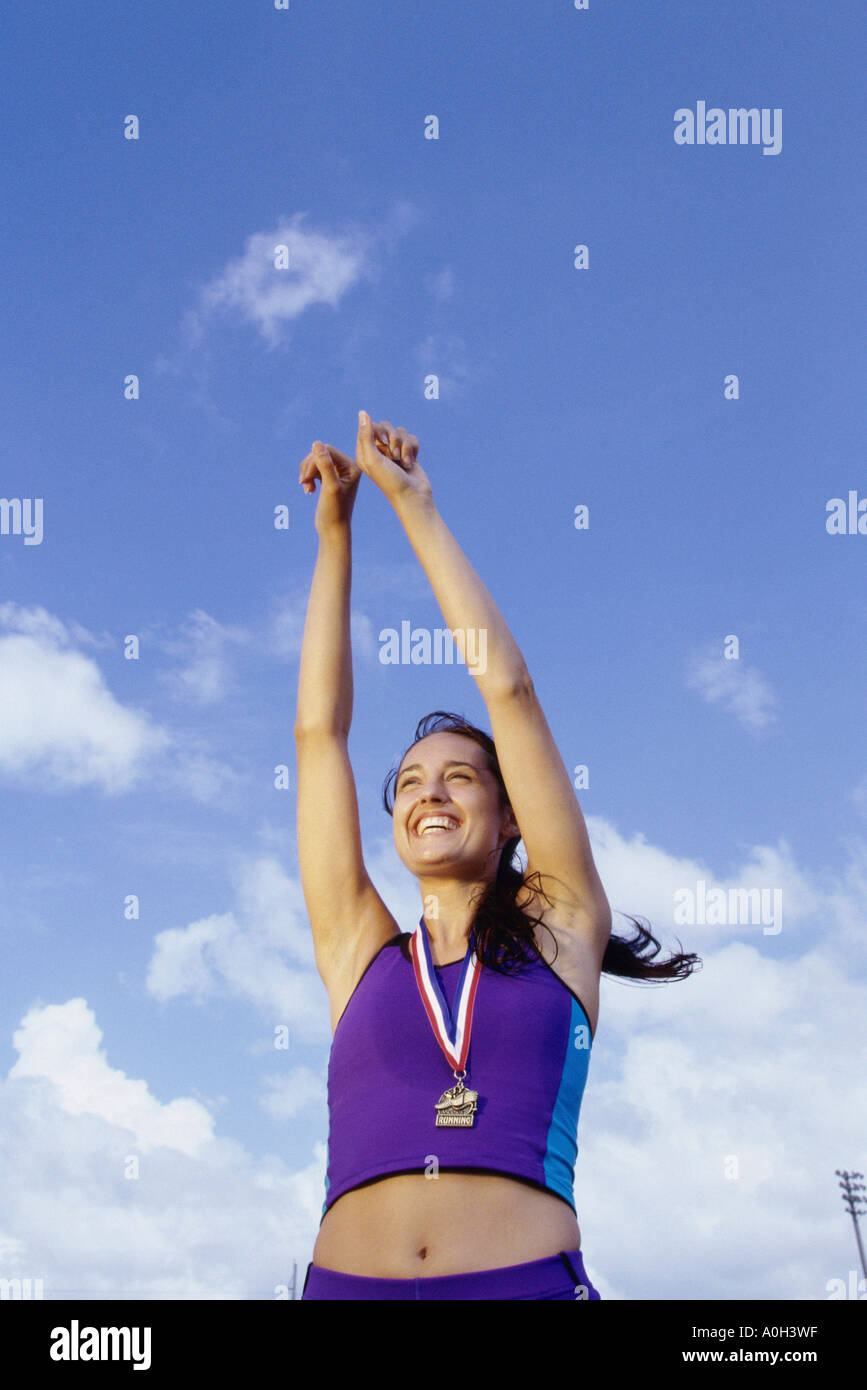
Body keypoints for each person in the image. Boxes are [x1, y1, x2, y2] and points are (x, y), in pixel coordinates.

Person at [293, 411, 700, 1300]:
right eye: (409, 783)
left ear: (510, 816)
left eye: (459, 779)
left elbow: (506, 691)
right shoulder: (356, 951)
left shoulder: (561, 923)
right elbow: (318, 735)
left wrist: (413, 507)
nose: (430, 793)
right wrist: (334, 536)